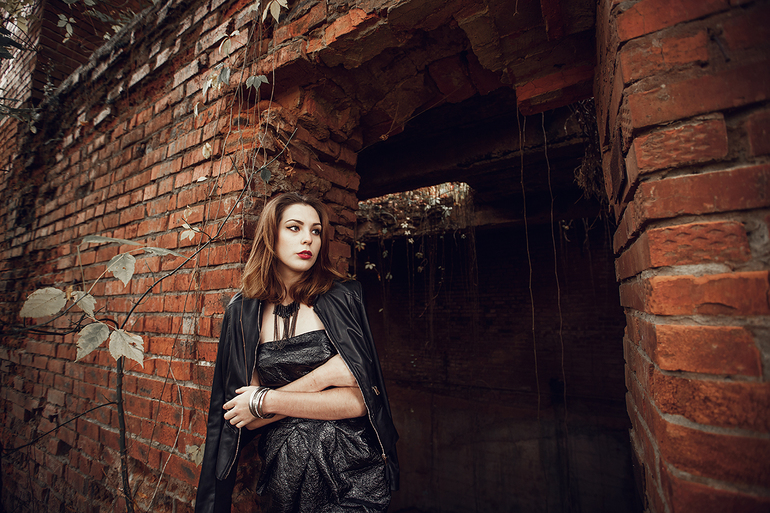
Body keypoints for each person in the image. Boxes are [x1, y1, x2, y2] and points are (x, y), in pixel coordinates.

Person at [195, 192, 399, 513]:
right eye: (294, 228)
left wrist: (266, 401)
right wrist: (325, 377)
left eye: (316, 231)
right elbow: (248, 416)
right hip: (284, 472)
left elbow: (358, 403)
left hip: (353, 470)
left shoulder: (344, 298)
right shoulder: (242, 312)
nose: (308, 239)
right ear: (270, 235)